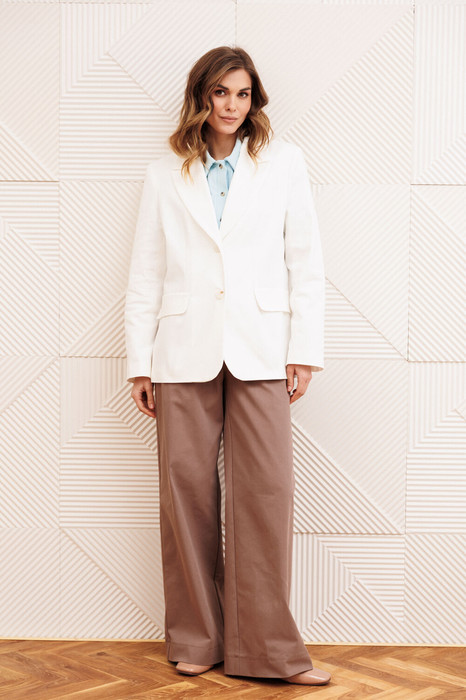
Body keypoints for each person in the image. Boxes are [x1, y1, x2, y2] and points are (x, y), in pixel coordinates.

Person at [124, 46, 330, 686]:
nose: (231, 105)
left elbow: (305, 261)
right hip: (181, 348)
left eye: (242, 94)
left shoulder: (284, 163)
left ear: (254, 99)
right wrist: (139, 362)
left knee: (266, 493)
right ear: (201, 97)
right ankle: (196, 638)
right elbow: (146, 271)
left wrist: (303, 350)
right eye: (220, 93)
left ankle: (267, 650)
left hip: (263, 345)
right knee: (184, 493)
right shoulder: (165, 173)